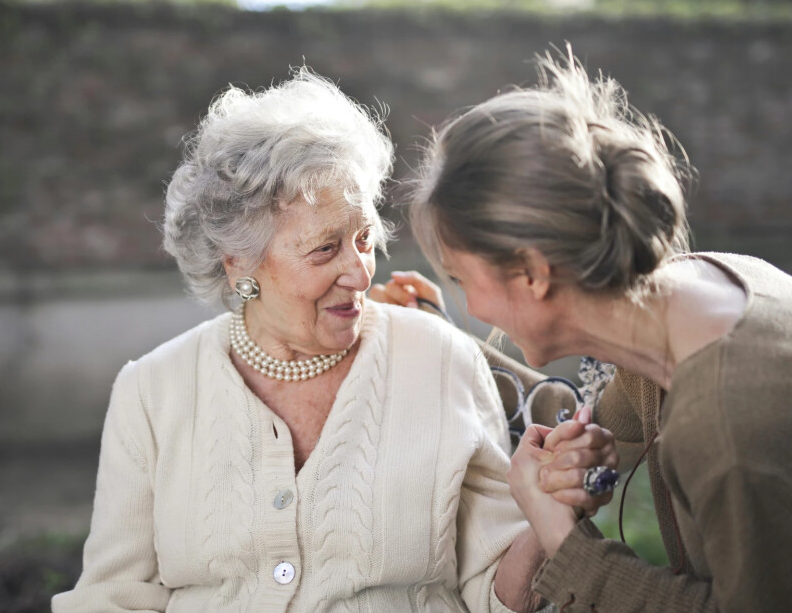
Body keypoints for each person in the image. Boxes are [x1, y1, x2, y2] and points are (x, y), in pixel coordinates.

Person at [51, 69, 617, 613]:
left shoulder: (440, 359)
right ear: (239, 265)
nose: (359, 272)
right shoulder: (152, 391)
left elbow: (494, 594)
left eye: (365, 237)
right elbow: (113, 597)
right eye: (325, 249)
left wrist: (549, 511)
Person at [403, 48, 792, 612]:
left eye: (462, 278)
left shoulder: (728, 420)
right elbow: (590, 432)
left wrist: (566, 542)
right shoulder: (691, 294)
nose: (471, 304)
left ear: (534, 274)